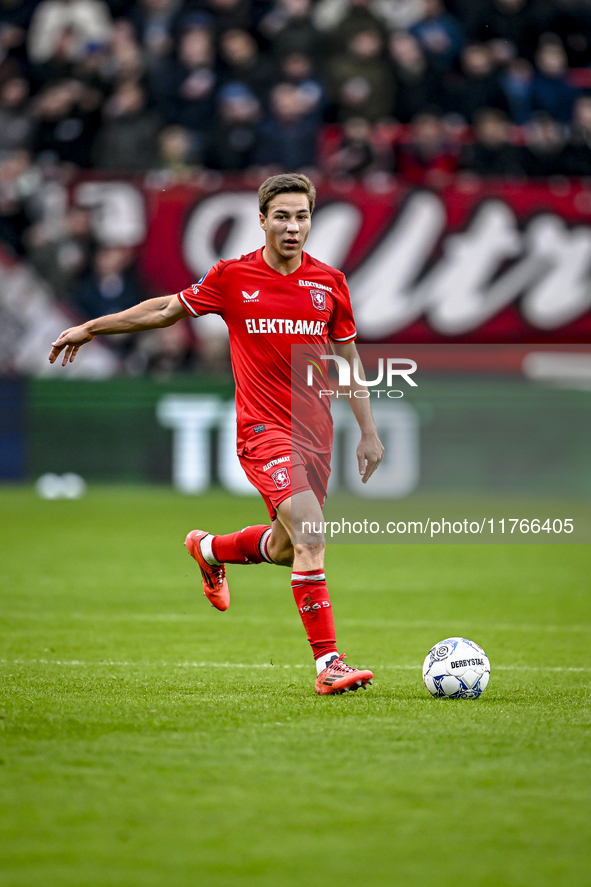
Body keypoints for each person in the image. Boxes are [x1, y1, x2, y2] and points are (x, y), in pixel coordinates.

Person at [48, 173, 384, 696]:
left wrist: (368, 430)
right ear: (263, 220)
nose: (292, 226)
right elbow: (164, 310)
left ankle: (209, 549)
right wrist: (93, 327)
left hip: (316, 435)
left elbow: (348, 360)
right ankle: (329, 664)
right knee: (313, 535)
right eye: (282, 216)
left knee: (285, 546)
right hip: (264, 431)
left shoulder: (330, 283)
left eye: (301, 216)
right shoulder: (233, 276)